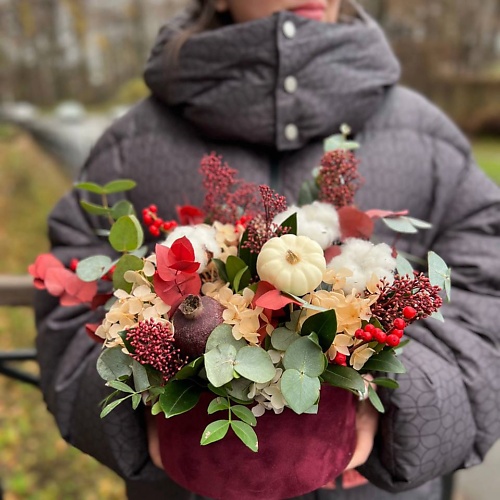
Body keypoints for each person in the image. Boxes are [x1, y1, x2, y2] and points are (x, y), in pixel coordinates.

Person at [34, 0, 500, 499]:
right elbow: (71, 302)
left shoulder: (428, 141)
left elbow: (485, 291)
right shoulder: (131, 147)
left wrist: (402, 409)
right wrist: (140, 422)